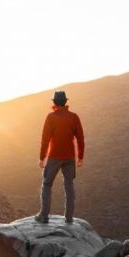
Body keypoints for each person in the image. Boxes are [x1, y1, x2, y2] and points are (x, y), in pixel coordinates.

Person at [35, 91, 85, 224]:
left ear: (54, 102)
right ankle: (69, 218)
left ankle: (44, 215)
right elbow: (80, 138)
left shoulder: (51, 117)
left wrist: (42, 157)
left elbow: (45, 139)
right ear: (65, 102)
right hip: (69, 157)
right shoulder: (74, 117)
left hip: (54, 156)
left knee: (47, 184)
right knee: (69, 185)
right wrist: (80, 157)